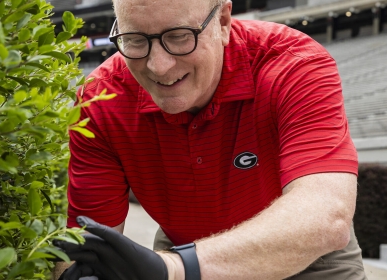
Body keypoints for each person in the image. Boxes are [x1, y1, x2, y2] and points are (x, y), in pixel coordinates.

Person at [53, 0, 366, 279]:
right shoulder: (99, 99)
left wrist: (175, 269)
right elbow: (87, 241)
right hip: (182, 248)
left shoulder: (294, 63)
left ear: (223, 22)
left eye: (179, 36)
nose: (159, 66)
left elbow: (325, 217)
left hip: (304, 254)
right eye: (135, 41)